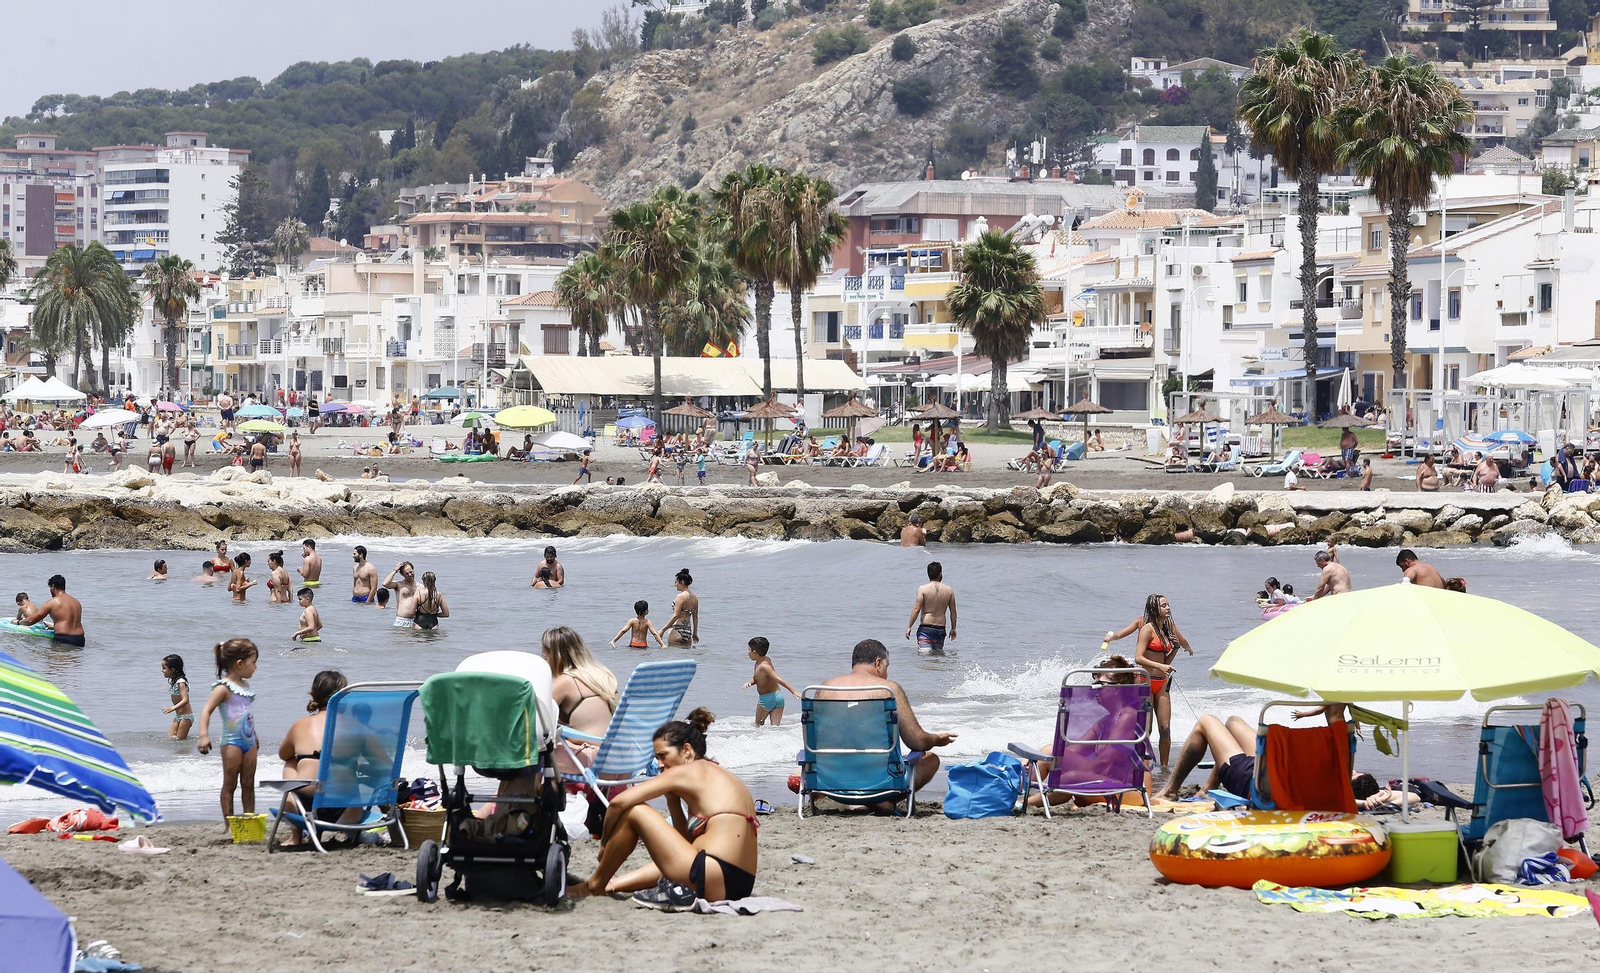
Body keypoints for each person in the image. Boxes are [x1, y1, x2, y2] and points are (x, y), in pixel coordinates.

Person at [571, 706, 757, 909]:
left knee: (636, 811)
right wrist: (672, 801)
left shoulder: (687, 771)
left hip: (711, 875)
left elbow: (619, 802)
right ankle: (609, 885)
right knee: (667, 844)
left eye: (663, 755)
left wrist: (605, 844)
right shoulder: (714, 772)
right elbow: (684, 847)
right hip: (738, 884)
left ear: (686, 750)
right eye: (656, 758)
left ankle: (595, 884)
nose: (659, 765)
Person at [816, 639, 957, 800]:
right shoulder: (888, 690)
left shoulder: (825, 688)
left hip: (832, 783)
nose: (886, 673)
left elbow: (818, 739)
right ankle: (884, 801)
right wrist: (936, 739)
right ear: (878, 663)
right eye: (886, 666)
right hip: (881, 783)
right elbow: (916, 741)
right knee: (931, 760)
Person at [275, 670, 348, 843]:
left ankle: (295, 834)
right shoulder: (355, 725)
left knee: (291, 760)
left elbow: (283, 754)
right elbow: (377, 760)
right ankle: (354, 833)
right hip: (347, 809)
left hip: (306, 803)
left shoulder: (301, 725)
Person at [196, 637, 260, 829]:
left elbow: (246, 715)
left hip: (249, 742)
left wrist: (255, 736)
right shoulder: (222, 688)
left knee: (248, 783)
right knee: (230, 784)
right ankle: (229, 825)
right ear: (240, 664)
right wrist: (203, 736)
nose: (255, 667)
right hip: (232, 742)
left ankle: (249, 821)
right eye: (253, 662)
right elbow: (206, 710)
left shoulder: (245, 687)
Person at [744, 636, 799, 727]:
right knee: (775, 728)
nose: (748, 652)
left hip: (766, 699)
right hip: (778, 698)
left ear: (754, 652)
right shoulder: (765, 660)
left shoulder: (763, 666)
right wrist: (750, 682)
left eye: (749, 649)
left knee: (758, 725)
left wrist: (793, 691)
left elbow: (778, 679)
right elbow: (757, 677)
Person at [904, 560, 956, 653]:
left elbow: (916, 609)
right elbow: (953, 612)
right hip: (940, 630)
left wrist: (909, 626)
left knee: (926, 660)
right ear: (940, 574)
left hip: (926, 629)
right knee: (937, 658)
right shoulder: (949, 590)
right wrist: (953, 628)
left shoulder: (923, 589)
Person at [20, 575, 83, 647]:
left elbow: (32, 620)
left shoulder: (52, 602)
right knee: (74, 657)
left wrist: (19, 622)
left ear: (53, 586)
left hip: (64, 639)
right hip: (80, 639)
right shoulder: (76, 602)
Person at [663, 568, 699, 647]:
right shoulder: (695, 598)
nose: (675, 584)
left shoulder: (680, 596)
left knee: (673, 656)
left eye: (676, 582)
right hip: (688, 632)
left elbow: (675, 616)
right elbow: (695, 617)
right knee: (685, 656)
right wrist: (695, 633)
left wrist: (663, 630)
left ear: (682, 582)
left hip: (677, 630)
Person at [161, 654, 193, 740]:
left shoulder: (181, 682)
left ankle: (185, 753)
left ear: (172, 669)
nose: (162, 670)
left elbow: (185, 700)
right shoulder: (175, 681)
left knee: (180, 741)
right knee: (171, 739)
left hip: (186, 717)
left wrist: (172, 708)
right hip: (178, 716)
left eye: (164, 668)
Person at [383, 561, 418, 628]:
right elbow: (385, 584)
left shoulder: (421, 587)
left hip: (416, 621)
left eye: (411, 572)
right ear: (402, 574)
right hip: (401, 620)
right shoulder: (399, 584)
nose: (410, 575)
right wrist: (395, 570)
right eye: (406, 573)